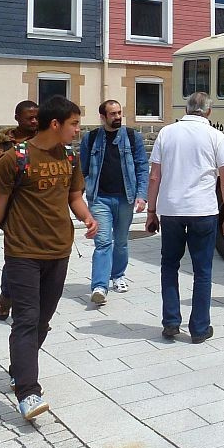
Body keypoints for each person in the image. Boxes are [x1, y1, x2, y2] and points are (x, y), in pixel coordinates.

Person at [0, 96, 98, 421]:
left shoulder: (70, 157)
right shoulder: (15, 158)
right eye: (74, 124)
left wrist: (86, 217)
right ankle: (28, 392)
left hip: (59, 251)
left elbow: (74, 196)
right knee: (26, 319)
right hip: (23, 252)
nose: (78, 130)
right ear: (55, 124)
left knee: (42, 321)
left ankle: (19, 368)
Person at [146, 92, 224, 344]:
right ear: (208, 111)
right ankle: (199, 328)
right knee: (202, 270)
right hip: (203, 210)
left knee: (169, 265)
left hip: (171, 209)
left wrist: (151, 211)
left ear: (186, 109)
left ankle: (171, 321)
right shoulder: (216, 136)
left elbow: (154, 176)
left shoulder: (166, 133)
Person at [81, 100, 149, 305]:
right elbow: (82, 169)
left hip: (126, 198)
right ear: (103, 117)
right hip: (99, 198)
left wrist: (142, 195)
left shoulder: (132, 137)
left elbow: (142, 167)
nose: (118, 117)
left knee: (120, 241)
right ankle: (99, 287)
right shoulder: (91, 138)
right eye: (113, 114)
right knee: (103, 242)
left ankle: (118, 275)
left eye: (119, 113)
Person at [0, 100, 39, 321]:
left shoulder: (44, 141)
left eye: (37, 117)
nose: (35, 121)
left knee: (40, 260)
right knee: (16, 259)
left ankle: (32, 307)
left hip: (41, 211)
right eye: (30, 118)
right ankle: (7, 295)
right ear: (17, 118)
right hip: (14, 213)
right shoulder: (5, 148)